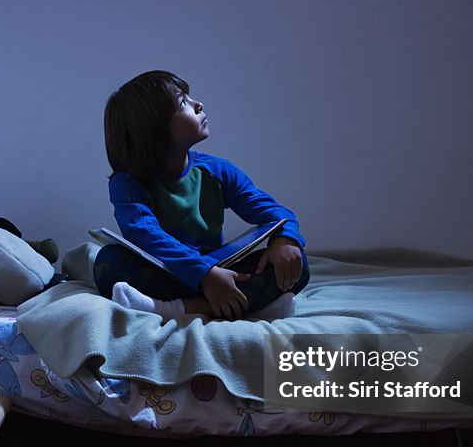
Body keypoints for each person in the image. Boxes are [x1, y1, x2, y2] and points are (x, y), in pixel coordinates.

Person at [93, 70, 310, 321]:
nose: (198, 104)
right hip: (170, 274)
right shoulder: (127, 184)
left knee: (297, 262)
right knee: (107, 261)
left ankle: (175, 309)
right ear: (153, 130)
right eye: (183, 102)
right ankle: (250, 308)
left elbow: (276, 212)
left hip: (221, 275)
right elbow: (145, 235)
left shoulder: (217, 171)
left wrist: (285, 238)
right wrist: (203, 274)